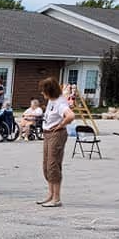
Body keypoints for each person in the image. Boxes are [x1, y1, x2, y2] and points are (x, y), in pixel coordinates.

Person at [35, 77, 74, 208]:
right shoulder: (52, 100)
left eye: (44, 91)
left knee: (53, 165)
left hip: (56, 135)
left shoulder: (60, 103)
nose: (42, 93)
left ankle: (56, 198)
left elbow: (70, 116)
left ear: (50, 91)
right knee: (46, 165)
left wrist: (61, 125)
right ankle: (50, 194)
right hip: (47, 134)